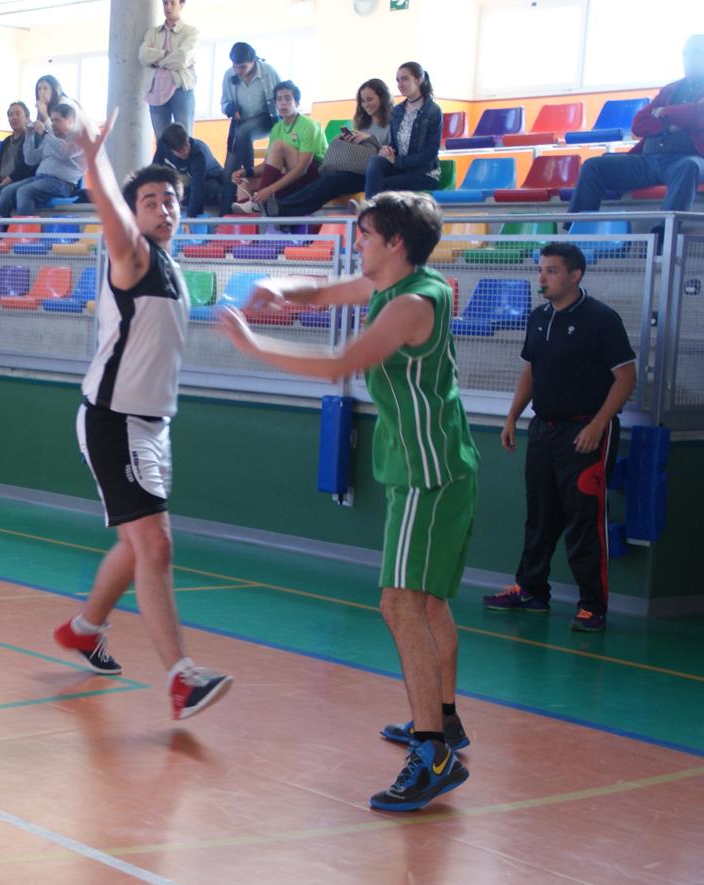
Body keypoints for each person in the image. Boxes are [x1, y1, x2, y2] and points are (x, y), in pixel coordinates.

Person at [218, 191, 476, 811]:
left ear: (395, 244)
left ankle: (432, 751)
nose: (356, 244)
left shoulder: (412, 303)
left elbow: (341, 362)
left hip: (428, 474)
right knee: (429, 603)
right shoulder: (399, 284)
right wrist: (278, 287)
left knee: (399, 604)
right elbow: (330, 291)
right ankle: (444, 718)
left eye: (364, 235)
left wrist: (253, 346)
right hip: (427, 466)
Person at [52, 108, 233, 721]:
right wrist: (92, 158)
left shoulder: (175, 269)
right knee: (154, 543)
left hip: (153, 425)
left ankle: (84, 627)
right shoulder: (131, 254)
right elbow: (110, 214)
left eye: (170, 198)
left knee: (136, 547)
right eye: (149, 200)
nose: (163, 207)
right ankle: (181, 678)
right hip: (114, 419)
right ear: (135, 213)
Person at [483, 243, 637, 633]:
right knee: (540, 515)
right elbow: (530, 371)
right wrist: (513, 416)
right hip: (543, 430)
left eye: (552, 271)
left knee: (585, 520)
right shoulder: (538, 318)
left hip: (585, 433)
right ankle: (532, 591)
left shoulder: (602, 319)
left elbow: (626, 378)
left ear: (575, 275)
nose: (542, 278)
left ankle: (592, 607)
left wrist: (598, 424)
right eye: (541, 270)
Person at [568, 35, 704, 234]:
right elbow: (639, 124)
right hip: (648, 160)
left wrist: (664, 113)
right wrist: (672, 124)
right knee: (593, 166)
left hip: (687, 160)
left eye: (696, 53)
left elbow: (698, 115)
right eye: (686, 53)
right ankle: (576, 231)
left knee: (689, 166)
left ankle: (663, 233)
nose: (689, 59)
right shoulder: (671, 89)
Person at [259, 78, 394, 217]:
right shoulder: (364, 124)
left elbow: (390, 154)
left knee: (331, 182)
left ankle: (282, 208)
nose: (366, 104)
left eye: (370, 99)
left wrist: (369, 139)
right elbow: (361, 152)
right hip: (357, 169)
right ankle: (277, 207)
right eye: (363, 101)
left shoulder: (393, 123)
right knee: (329, 179)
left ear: (382, 98)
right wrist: (348, 140)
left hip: (373, 173)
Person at [230, 81, 326, 215]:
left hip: (312, 178)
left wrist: (270, 189)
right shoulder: (277, 128)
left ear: (297, 103)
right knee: (244, 182)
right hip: (287, 176)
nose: (283, 103)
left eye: (288, 98)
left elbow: (302, 169)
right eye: (279, 99)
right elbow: (267, 165)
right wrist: (246, 172)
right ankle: (249, 229)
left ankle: (259, 203)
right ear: (275, 104)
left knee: (278, 146)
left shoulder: (309, 125)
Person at [0, 103, 86, 218]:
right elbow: (31, 160)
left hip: (62, 183)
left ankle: (25, 234)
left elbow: (65, 152)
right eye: (52, 120)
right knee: (6, 191)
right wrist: (29, 136)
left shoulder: (80, 138)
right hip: (40, 179)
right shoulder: (52, 138)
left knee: (24, 191)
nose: (53, 124)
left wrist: (45, 133)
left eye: (57, 120)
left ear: (70, 120)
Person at [364, 62, 442, 198]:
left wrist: (396, 161)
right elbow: (396, 144)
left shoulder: (433, 111)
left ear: (419, 80)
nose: (400, 84)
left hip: (424, 173)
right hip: (401, 169)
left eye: (405, 79)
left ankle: (369, 209)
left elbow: (428, 156)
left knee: (381, 185)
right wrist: (387, 150)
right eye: (398, 80)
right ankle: (370, 209)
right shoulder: (397, 111)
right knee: (375, 161)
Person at [220, 42, 281, 196]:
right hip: (240, 123)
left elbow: (282, 96)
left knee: (243, 132)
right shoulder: (229, 75)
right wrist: (230, 109)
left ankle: (250, 175)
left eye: (243, 67)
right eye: (235, 67)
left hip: (267, 119)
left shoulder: (268, 71)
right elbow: (224, 102)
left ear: (253, 61)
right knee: (229, 172)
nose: (238, 71)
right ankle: (223, 216)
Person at [139, 0, 199, 138]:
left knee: (185, 139)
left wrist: (157, 59)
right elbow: (143, 56)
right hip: (156, 90)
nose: (168, 7)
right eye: (165, 3)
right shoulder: (153, 33)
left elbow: (182, 58)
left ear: (182, 5)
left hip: (181, 88)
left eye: (172, 3)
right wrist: (167, 54)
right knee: (162, 141)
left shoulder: (191, 32)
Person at [151, 123, 223, 220]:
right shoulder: (163, 146)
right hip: (188, 178)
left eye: (187, 145)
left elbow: (198, 186)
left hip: (212, 178)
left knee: (211, 190)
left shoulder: (198, 153)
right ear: (170, 149)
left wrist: (190, 217)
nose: (186, 151)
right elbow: (154, 172)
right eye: (180, 151)